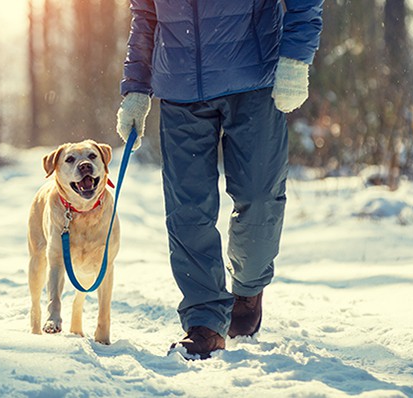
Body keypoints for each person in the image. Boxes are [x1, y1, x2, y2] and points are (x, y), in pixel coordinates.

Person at [116, 0, 324, 359]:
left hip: (253, 82)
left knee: (260, 197)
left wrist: (294, 60)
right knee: (187, 209)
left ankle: (248, 288)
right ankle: (204, 322)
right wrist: (137, 87)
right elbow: (146, 15)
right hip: (180, 90)